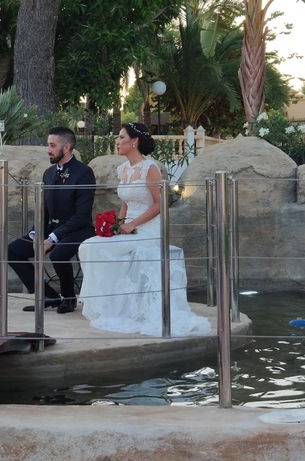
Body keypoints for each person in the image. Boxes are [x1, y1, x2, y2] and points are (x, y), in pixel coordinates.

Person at [78, 122, 210, 335]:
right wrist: (116, 224)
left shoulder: (150, 168)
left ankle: (121, 307)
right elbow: (126, 202)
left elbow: (160, 204)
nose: (117, 141)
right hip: (128, 228)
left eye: (121, 137)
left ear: (135, 141)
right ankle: (109, 305)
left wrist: (132, 224)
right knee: (88, 246)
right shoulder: (124, 169)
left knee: (97, 248)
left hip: (148, 230)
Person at [8, 126, 95, 314]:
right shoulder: (48, 173)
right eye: (48, 145)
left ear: (67, 147)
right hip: (52, 228)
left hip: (78, 229)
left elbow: (82, 215)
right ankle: (49, 295)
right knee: (13, 251)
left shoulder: (84, 173)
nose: (48, 149)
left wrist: (52, 238)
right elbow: (45, 209)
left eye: (52, 145)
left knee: (58, 255)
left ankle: (69, 297)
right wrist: (36, 234)